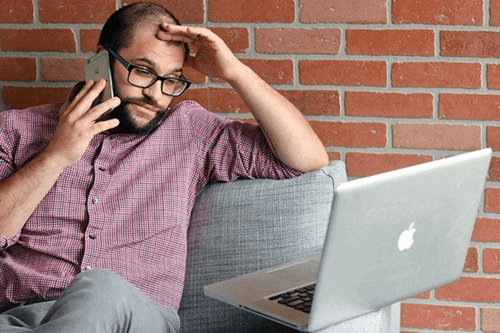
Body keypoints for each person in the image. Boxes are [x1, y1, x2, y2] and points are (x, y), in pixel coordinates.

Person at [0, 3, 329, 332]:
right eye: (142, 71)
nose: (156, 95)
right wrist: (55, 156)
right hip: (18, 318)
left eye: (171, 80)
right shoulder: (16, 130)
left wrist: (234, 72)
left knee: (99, 288)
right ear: (101, 59)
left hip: (135, 319)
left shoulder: (189, 132)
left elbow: (307, 158)